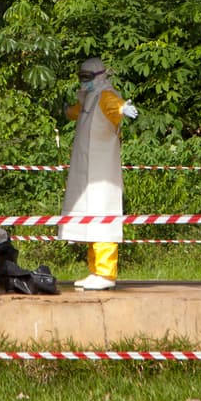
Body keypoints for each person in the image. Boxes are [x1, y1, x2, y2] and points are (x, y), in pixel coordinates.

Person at [59, 57, 137, 290]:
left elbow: (116, 106)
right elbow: (76, 112)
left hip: (103, 173)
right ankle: (95, 270)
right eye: (81, 77)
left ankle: (106, 273)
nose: (84, 82)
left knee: (103, 218)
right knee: (90, 220)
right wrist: (64, 111)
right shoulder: (88, 99)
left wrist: (124, 109)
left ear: (99, 77)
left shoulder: (105, 96)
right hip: (86, 173)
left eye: (87, 77)